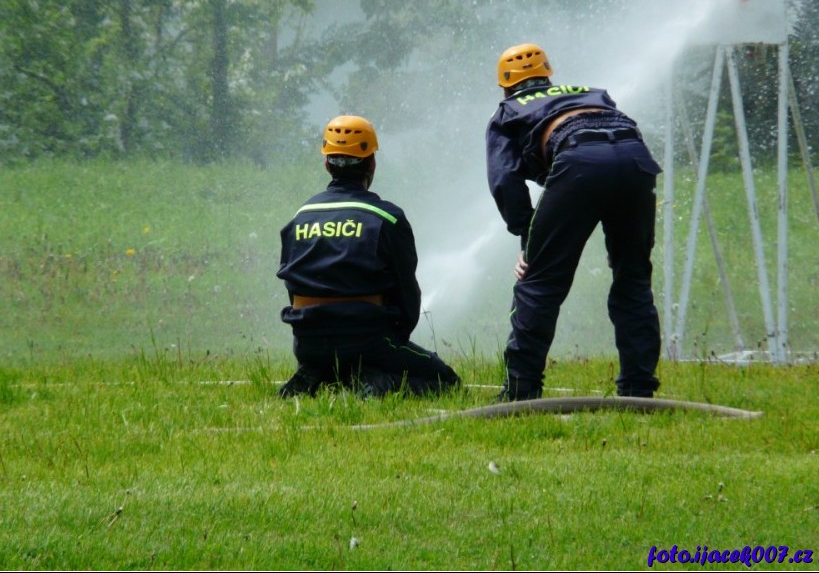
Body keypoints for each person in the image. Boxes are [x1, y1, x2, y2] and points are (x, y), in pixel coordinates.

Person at [486, 43, 663, 401]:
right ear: (548, 75)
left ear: (505, 86)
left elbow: (505, 180)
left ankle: (521, 391)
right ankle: (638, 389)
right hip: (635, 157)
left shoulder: (507, 111)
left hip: (579, 161)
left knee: (539, 283)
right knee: (632, 276)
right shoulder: (592, 94)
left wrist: (528, 241)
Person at [276, 114, 461, 398]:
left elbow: (293, 284)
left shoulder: (301, 217)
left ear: (327, 163)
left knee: (335, 358)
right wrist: (396, 340)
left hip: (307, 343)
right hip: (368, 341)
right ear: (372, 163)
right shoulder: (387, 218)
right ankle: (374, 384)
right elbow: (406, 292)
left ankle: (320, 371)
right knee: (446, 381)